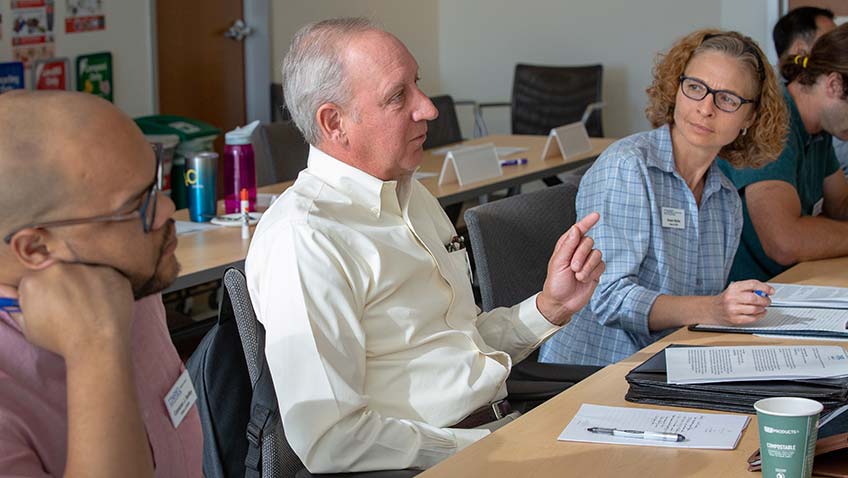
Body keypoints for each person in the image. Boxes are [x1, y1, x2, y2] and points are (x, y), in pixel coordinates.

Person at [245, 18, 605, 474]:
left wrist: (548, 307)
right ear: (334, 122)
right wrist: (482, 450)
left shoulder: (412, 195)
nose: (429, 109)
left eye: (417, 84)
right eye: (398, 96)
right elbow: (331, 440)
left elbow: (459, 349)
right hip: (445, 458)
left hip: (502, 424)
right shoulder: (307, 237)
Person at [539, 30, 789, 367]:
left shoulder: (726, 199)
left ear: (750, 118)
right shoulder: (628, 167)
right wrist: (714, 309)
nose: (706, 108)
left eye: (727, 98)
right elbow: (610, 299)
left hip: (672, 365)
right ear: (677, 88)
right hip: (598, 372)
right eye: (696, 88)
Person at [0, 91, 202, 477]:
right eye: (137, 206)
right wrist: (95, 349)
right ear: (37, 246)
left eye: (155, 181)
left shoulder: (129, 279)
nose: (166, 209)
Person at [720, 24, 848, 282]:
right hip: (740, 297)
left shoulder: (819, 129)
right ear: (834, 84)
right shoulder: (774, 120)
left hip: (786, 285)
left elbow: (841, 206)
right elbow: (784, 241)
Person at [772, 6, 847, 175]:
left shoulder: (823, 121)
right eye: (827, 41)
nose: (832, 47)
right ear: (834, 85)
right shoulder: (774, 126)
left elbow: (840, 199)